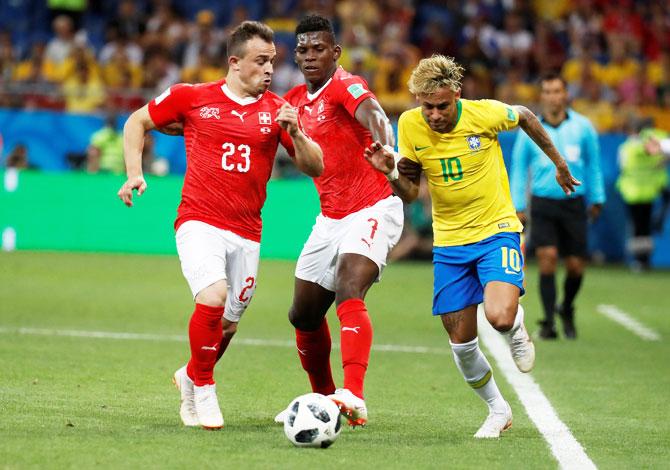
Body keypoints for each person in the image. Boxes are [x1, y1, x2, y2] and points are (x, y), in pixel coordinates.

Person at [117, 21, 323, 430]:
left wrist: (296, 131)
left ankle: (190, 373)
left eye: (273, 62)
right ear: (234, 62)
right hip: (199, 220)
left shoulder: (277, 111)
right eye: (261, 61)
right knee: (213, 295)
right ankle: (205, 388)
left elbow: (315, 165)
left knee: (228, 323)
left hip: (247, 232)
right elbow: (136, 122)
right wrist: (133, 173)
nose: (270, 70)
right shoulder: (193, 98)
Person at [363, 55, 579, 438]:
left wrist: (559, 164)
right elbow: (411, 194)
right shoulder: (410, 125)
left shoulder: (485, 114)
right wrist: (392, 172)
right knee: (461, 343)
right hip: (449, 243)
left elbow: (527, 116)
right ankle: (498, 410)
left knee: (498, 316)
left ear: (457, 96)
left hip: (497, 230)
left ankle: (515, 328)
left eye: (442, 106)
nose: (433, 114)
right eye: (426, 106)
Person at [275, 15, 403, 427]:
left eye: (318, 49)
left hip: (372, 207)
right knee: (303, 315)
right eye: (303, 50)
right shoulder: (292, 99)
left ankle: (355, 396)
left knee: (350, 286)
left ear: (335, 53)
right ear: (295, 54)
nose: (310, 56)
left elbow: (375, 115)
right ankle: (324, 400)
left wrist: (385, 146)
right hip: (330, 218)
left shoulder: (346, 85)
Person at [510, 73, 605, 340]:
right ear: (542, 97)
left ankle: (567, 307)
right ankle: (549, 320)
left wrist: (597, 198)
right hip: (543, 202)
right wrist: (518, 204)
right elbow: (519, 169)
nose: (552, 96)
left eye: (557, 91)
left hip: (574, 203)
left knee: (576, 265)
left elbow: (593, 164)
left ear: (566, 95)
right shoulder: (529, 129)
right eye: (547, 91)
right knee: (547, 258)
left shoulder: (583, 128)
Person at [617, 127, 669, 270]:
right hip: (646, 192)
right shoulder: (643, 146)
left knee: (639, 227)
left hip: (634, 192)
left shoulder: (627, 147)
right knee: (643, 227)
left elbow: (622, 166)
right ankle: (642, 259)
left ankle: (640, 260)